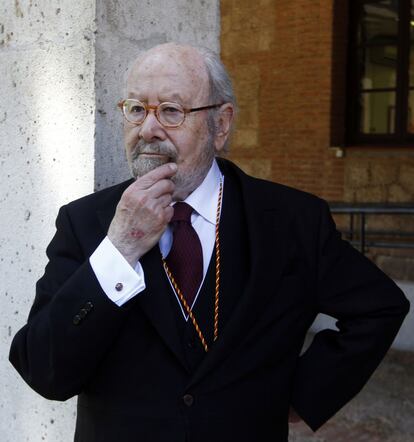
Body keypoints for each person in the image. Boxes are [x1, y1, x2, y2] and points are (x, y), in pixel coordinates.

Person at [9, 42, 409, 442]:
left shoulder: (292, 221)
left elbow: (379, 308)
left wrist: (305, 395)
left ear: (221, 125)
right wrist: (119, 249)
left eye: (171, 111)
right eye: (136, 109)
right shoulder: (83, 222)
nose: (148, 128)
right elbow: (44, 372)